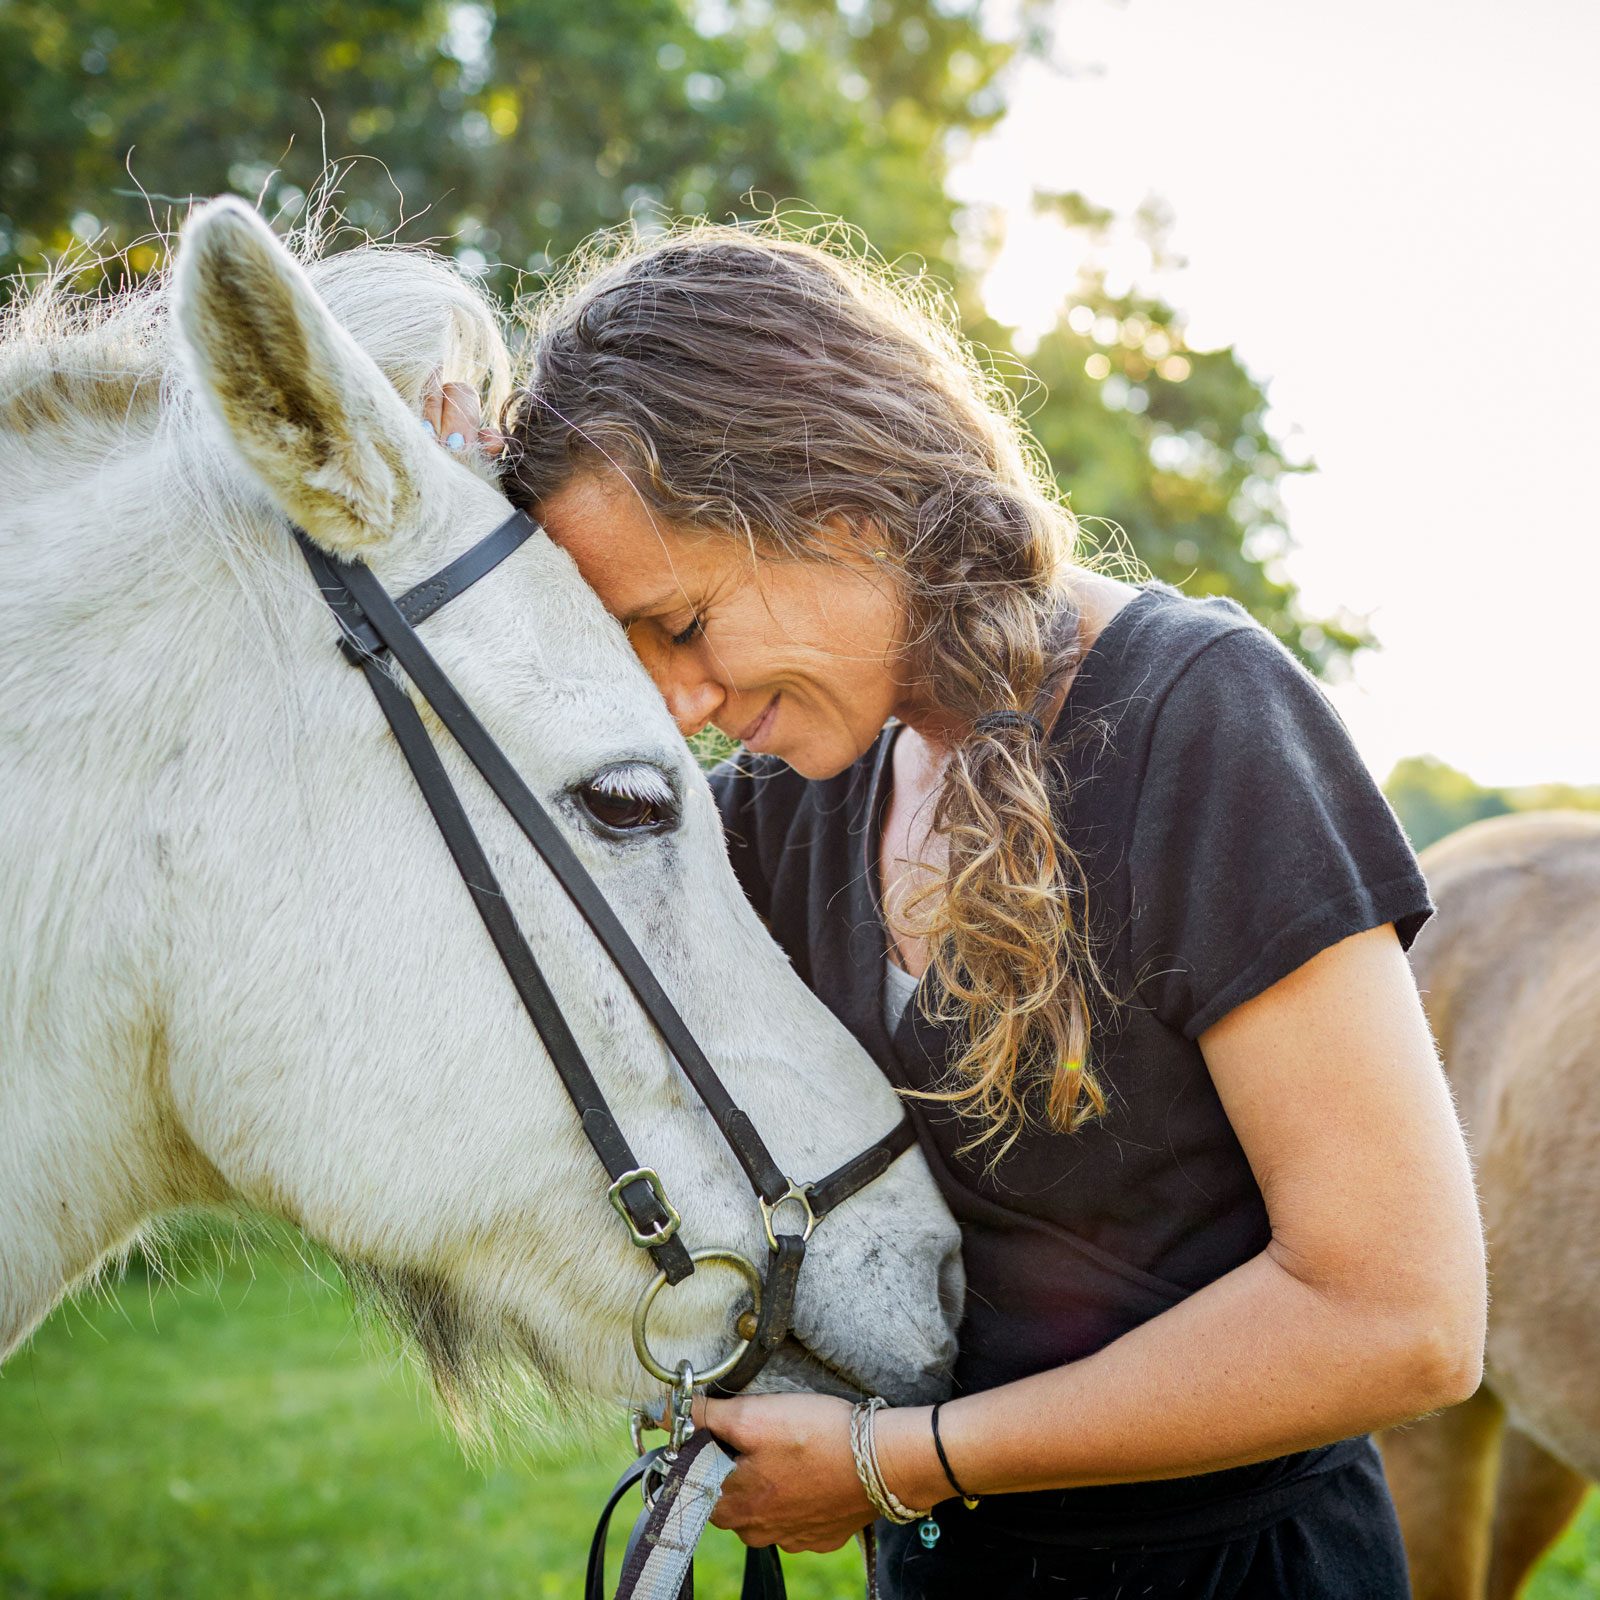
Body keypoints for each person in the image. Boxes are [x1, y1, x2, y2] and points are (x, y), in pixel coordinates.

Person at [424, 223, 1485, 1597]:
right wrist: (427, 544)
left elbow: (1399, 1315)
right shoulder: (780, 805)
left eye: (682, 625)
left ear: (845, 507)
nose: (677, 705)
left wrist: (897, 1463)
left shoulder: (1201, 722)